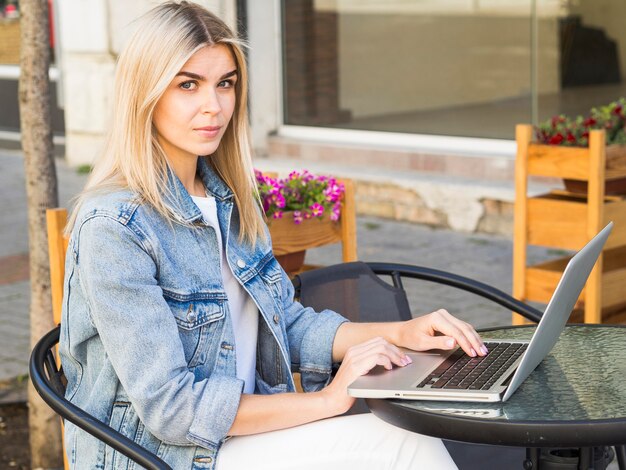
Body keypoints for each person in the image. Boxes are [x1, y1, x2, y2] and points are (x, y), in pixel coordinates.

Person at [59, 2, 488, 469]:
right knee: (404, 445)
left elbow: (285, 321)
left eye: (225, 83)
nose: (214, 105)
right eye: (188, 85)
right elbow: (173, 410)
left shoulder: (228, 198)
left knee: (404, 437)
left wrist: (402, 333)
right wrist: (327, 400)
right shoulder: (116, 229)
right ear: (145, 94)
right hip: (170, 457)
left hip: (243, 437)